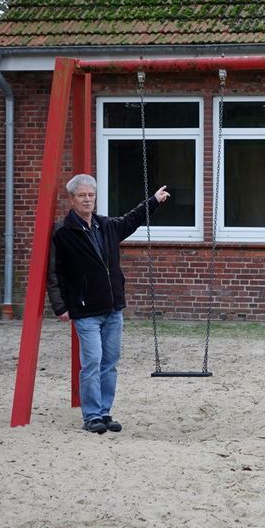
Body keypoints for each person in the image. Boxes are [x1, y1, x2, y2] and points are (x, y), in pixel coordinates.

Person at [47, 174, 170, 434]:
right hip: (85, 310)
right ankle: (91, 415)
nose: (87, 199)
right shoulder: (62, 232)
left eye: (91, 195)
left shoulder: (106, 226)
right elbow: (54, 272)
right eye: (82, 195)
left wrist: (154, 201)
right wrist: (60, 306)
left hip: (113, 308)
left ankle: (104, 412)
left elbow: (132, 219)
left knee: (109, 363)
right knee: (92, 362)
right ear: (72, 199)